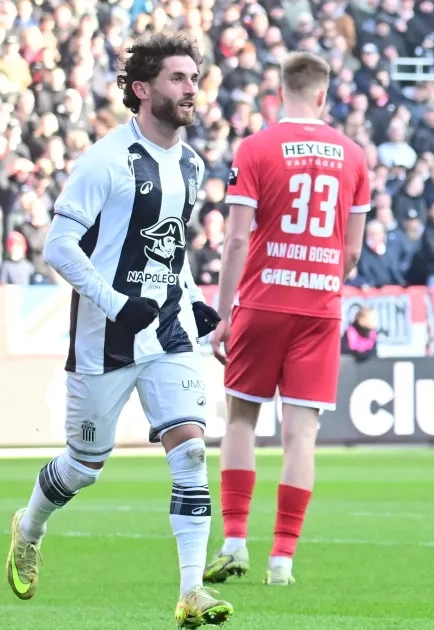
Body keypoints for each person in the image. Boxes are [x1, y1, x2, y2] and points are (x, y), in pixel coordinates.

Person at [4, 33, 233, 628]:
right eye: (178, 78)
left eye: (194, 77)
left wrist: (195, 301)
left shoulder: (191, 164)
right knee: (84, 466)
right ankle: (29, 528)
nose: (192, 89)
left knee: (190, 450)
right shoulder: (105, 161)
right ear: (142, 89)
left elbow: (172, 249)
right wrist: (115, 304)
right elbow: (59, 245)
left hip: (168, 334)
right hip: (103, 340)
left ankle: (191, 593)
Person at [203, 51, 369, 587]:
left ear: (280, 92)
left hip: (262, 301)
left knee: (240, 421)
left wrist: (223, 313)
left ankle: (234, 542)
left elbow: (235, 239)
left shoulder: (256, 148)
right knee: (301, 437)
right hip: (319, 306)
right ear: (323, 94)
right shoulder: (354, 156)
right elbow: (352, 252)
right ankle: (282, 560)